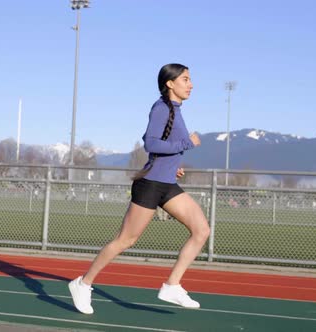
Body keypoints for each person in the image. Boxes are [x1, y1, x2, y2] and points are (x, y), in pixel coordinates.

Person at [68, 64, 210, 314]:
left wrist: (173, 165)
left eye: (190, 79)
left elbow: (165, 147)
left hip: (167, 183)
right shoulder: (161, 108)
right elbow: (151, 143)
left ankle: (172, 285)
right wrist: (188, 143)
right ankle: (83, 283)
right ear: (170, 83)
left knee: (201, 230)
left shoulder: (176, 110)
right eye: (185, 79)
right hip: (150, 185)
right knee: (126, 240)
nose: (191, 84)